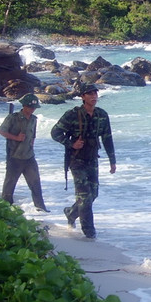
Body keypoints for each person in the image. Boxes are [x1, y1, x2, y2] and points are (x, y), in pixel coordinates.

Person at [50, 83, 116, 239]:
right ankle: (89, 233)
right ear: (82, 97)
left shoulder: (102, 115)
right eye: (90, 94)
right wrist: (71, 143)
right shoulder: (72, 115)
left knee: (92, 194)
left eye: (95, 93)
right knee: (85, 197)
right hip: (76, 160)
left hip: (92, 159)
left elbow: (107, 138)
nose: (94, 96)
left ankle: (71, 213)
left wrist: (112, 161)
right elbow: (55, 132)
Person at [0, 93, 49, 212]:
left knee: (35, 183)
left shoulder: (34, 119)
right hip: (14, 156)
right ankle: (5, 208)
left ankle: (40, 208)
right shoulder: (12, 118)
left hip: (29, 156)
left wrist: (31, 144)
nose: (32, 110)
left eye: (34, 108)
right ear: (24, 106)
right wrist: (16, 138)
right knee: (10, 184)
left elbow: (33, 135)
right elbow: (1, 131)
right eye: (31, 107)